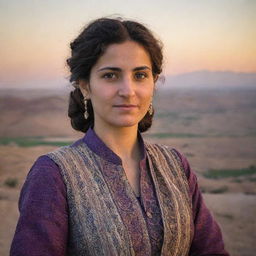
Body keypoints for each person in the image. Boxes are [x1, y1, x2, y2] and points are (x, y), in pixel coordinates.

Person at [10, 17, 229, 256]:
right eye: (110, 75)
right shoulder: (55, 173)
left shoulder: (175, 166)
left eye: (140, 75)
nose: (128, 91)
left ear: (153, 83)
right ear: (85, 85)